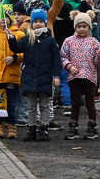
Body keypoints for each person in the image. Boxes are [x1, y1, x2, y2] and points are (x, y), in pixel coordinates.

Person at [10, 8, 61, 142]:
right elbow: (16, 49)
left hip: (45, 76)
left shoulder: (50, 40)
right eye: (35, 21)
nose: (38, 24)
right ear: (32, 23)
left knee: (44, 104)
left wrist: (57, 76)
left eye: (40, 21)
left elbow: (56, 60)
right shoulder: (27, 38)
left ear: (45, 23)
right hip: (30, 76)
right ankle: (31, 128)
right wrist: (11, 39)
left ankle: (44, 128)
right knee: (31, 106)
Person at [60, 11, 100, 140]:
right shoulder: (68, 41)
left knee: (90, 103)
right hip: (74, 77)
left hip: (89, 77)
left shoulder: (94, 42)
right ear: (75, 27)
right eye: (79, 26)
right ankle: (73, 127)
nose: (81, 29)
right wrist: (69, 66)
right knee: (75, 103)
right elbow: (63, 57)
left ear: (89, 27)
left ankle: (92, 125)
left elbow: (99, 62)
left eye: (84, 26)